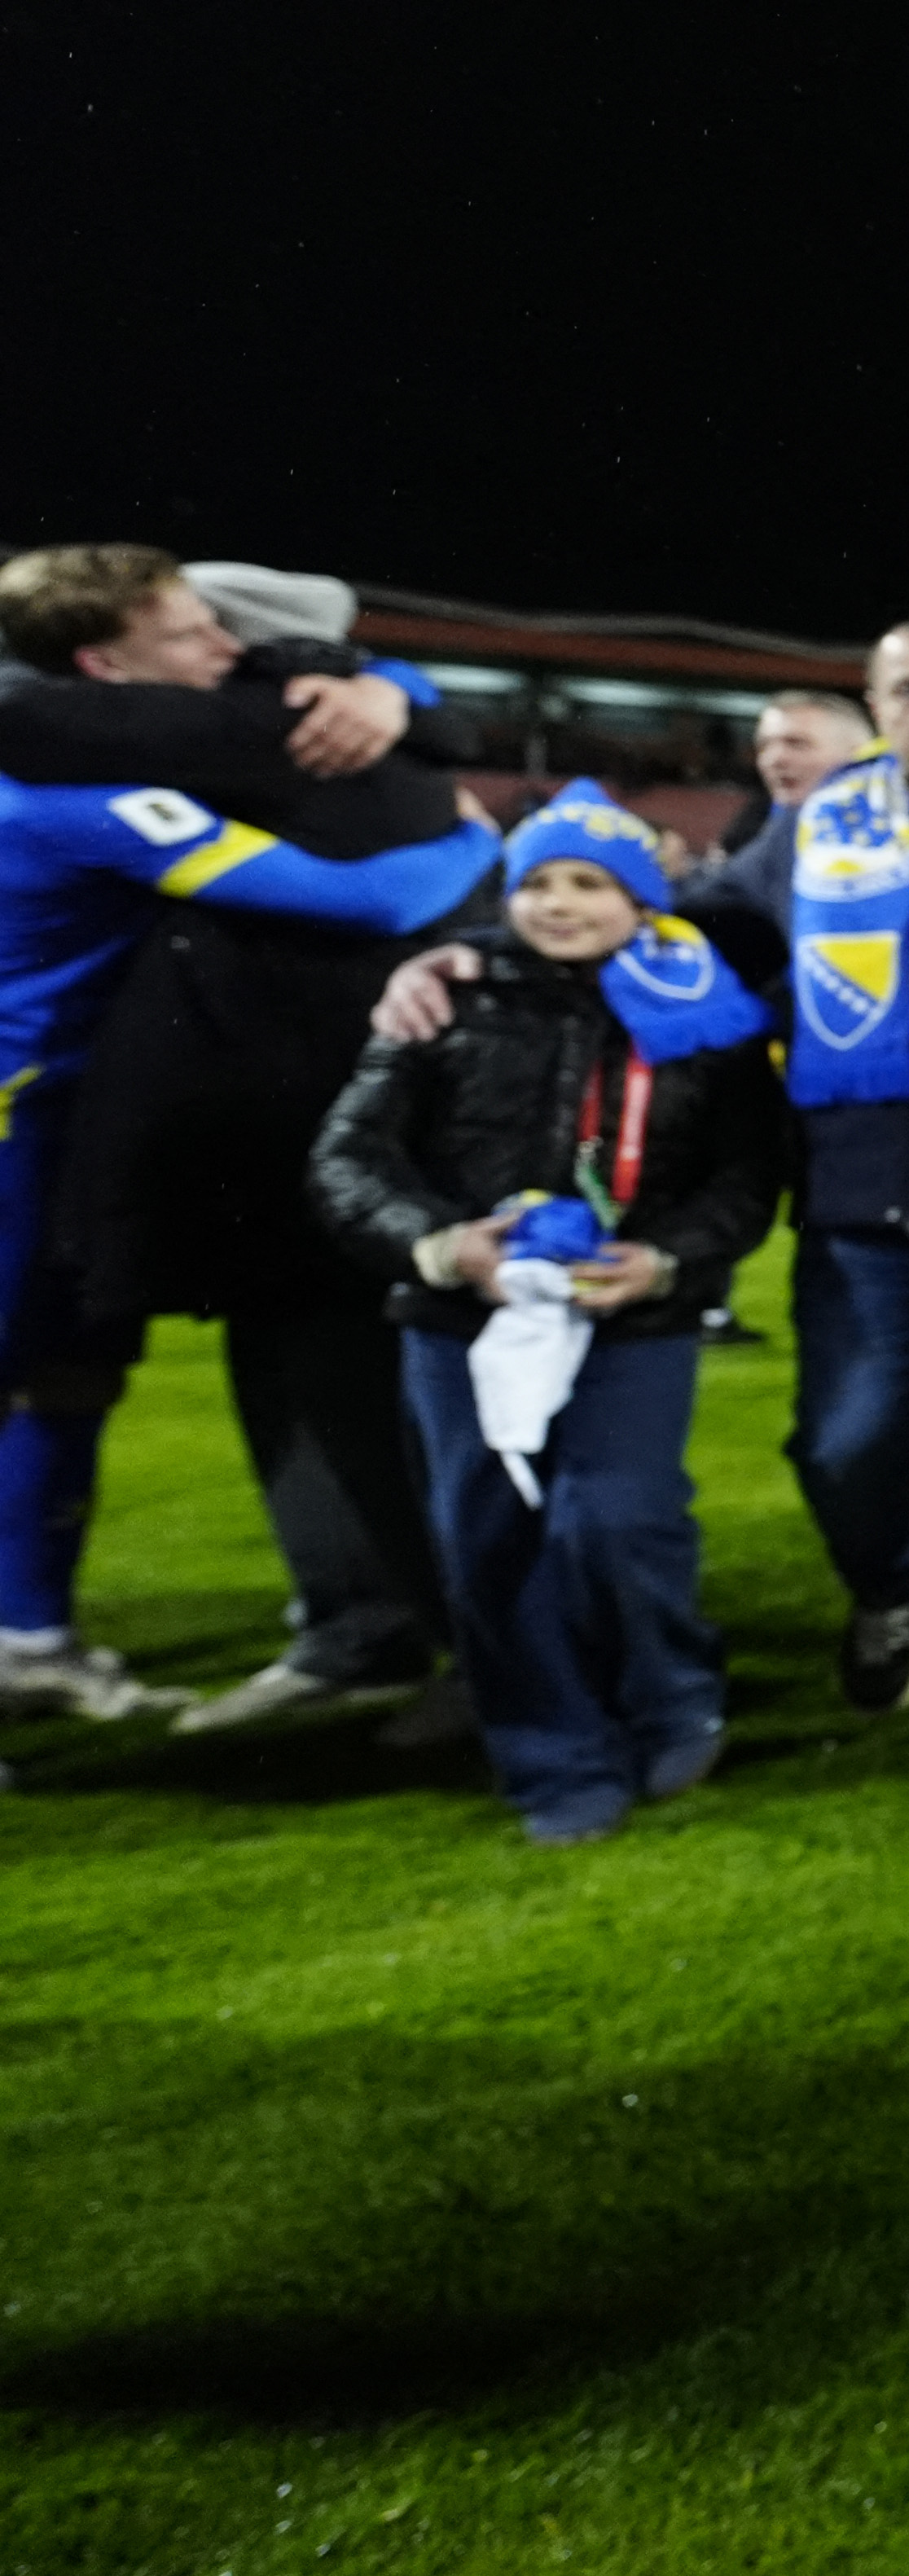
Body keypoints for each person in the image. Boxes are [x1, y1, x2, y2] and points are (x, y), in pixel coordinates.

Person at [385, 619, 909, 1773]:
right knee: (844, 1448)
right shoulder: (813, 838)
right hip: (864, 1209)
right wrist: (481, 952)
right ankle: (890, 1585)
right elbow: (667, 937)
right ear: (880, 714)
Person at [0, 547, 503, 1721]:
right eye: (188, 633)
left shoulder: (111, 745)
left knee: (69, 1379)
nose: (223, 650)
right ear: (101, 662)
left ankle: (30, 1636)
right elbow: (366, 900)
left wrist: (398, 692)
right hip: (22, 1115)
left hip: (68, 1112)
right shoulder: (90, 794)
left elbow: (372, 689)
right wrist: (483, 842)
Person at [308, 785, 784, 1844]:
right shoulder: (445, 1000)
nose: (560, 905)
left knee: (617, 1521)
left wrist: (663, 1261)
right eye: (539, 883)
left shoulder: (711, 1013)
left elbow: (748, 1181)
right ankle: (552, 1753)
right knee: (488, 1539)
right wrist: (443, 1246)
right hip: (461, 1323)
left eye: (590, 884)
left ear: (644, 900)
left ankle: (672, 1692)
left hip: (635, 1321)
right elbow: (348, 1156)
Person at [731, 688, 874, 851]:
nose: (774, 760)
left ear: (858, 755)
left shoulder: (893, 832)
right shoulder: (750, 826)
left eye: (797, 743)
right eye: (764, 746)